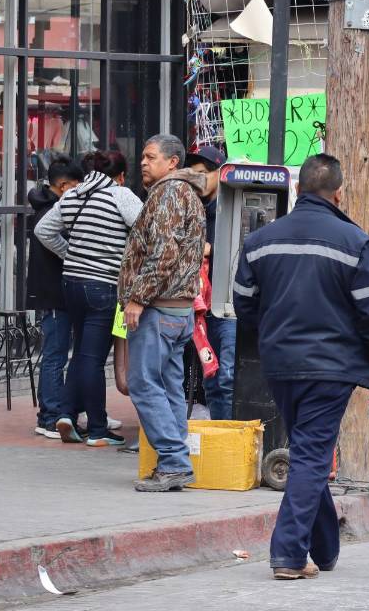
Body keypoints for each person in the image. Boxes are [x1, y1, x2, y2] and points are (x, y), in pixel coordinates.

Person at [232, 154, 369, 580]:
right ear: (338, 193)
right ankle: (287, 553)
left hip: (280, 363)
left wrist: (272, 333)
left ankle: (324, 548)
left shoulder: (260, 240)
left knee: (308, 451)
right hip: (331, 365)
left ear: (298, 188)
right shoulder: (355, 242)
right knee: (311, 455)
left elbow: (243, 303)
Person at [120, 135, 208, 492]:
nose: (143, 162)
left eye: (151, 157)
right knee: (169, 385)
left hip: (160, 309)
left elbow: (163, 253)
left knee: (143, 383)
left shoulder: (170, 193)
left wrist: (137, 298)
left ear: (172, 163)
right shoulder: (185, 193)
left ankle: (173, 463)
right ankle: (175, 462)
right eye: (142, 156)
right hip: (177, 309)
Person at [36, 150, 141, 447]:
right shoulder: (119, 195)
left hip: (72, 285)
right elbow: (147, 228)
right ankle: (97, 428)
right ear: (119, 175)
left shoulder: (72, 195)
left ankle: (67, 413)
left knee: (82, 353)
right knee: (93, 360)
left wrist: (70, 254)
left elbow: (43, 230)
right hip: (103, 286)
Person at [27, 157, 85, 439]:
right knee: (54, 355)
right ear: (63, 186)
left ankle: (58, 413)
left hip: (57, 292)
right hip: (52, 293)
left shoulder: (49, 206)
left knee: (58, 354)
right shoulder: (50, 212)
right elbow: (56, 246)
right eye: (75, 187)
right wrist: (74, 255)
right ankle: (48, 416)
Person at [184, 145, 236, 420]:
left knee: (226, 376)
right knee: (211, 378)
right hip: (200, 306)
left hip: (227, 304)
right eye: (193, 175)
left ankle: (229, 438)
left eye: (203, 174)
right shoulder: (192, 208)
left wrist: (212, 248)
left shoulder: (230, 207)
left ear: (220, 173)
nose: (198, 180)